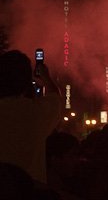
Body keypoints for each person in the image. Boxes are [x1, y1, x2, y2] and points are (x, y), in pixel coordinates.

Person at [0, 49, 62, 184]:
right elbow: (55, 98)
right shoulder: (37, 113)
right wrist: (45, 76)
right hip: (29, 192)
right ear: (26, 81)